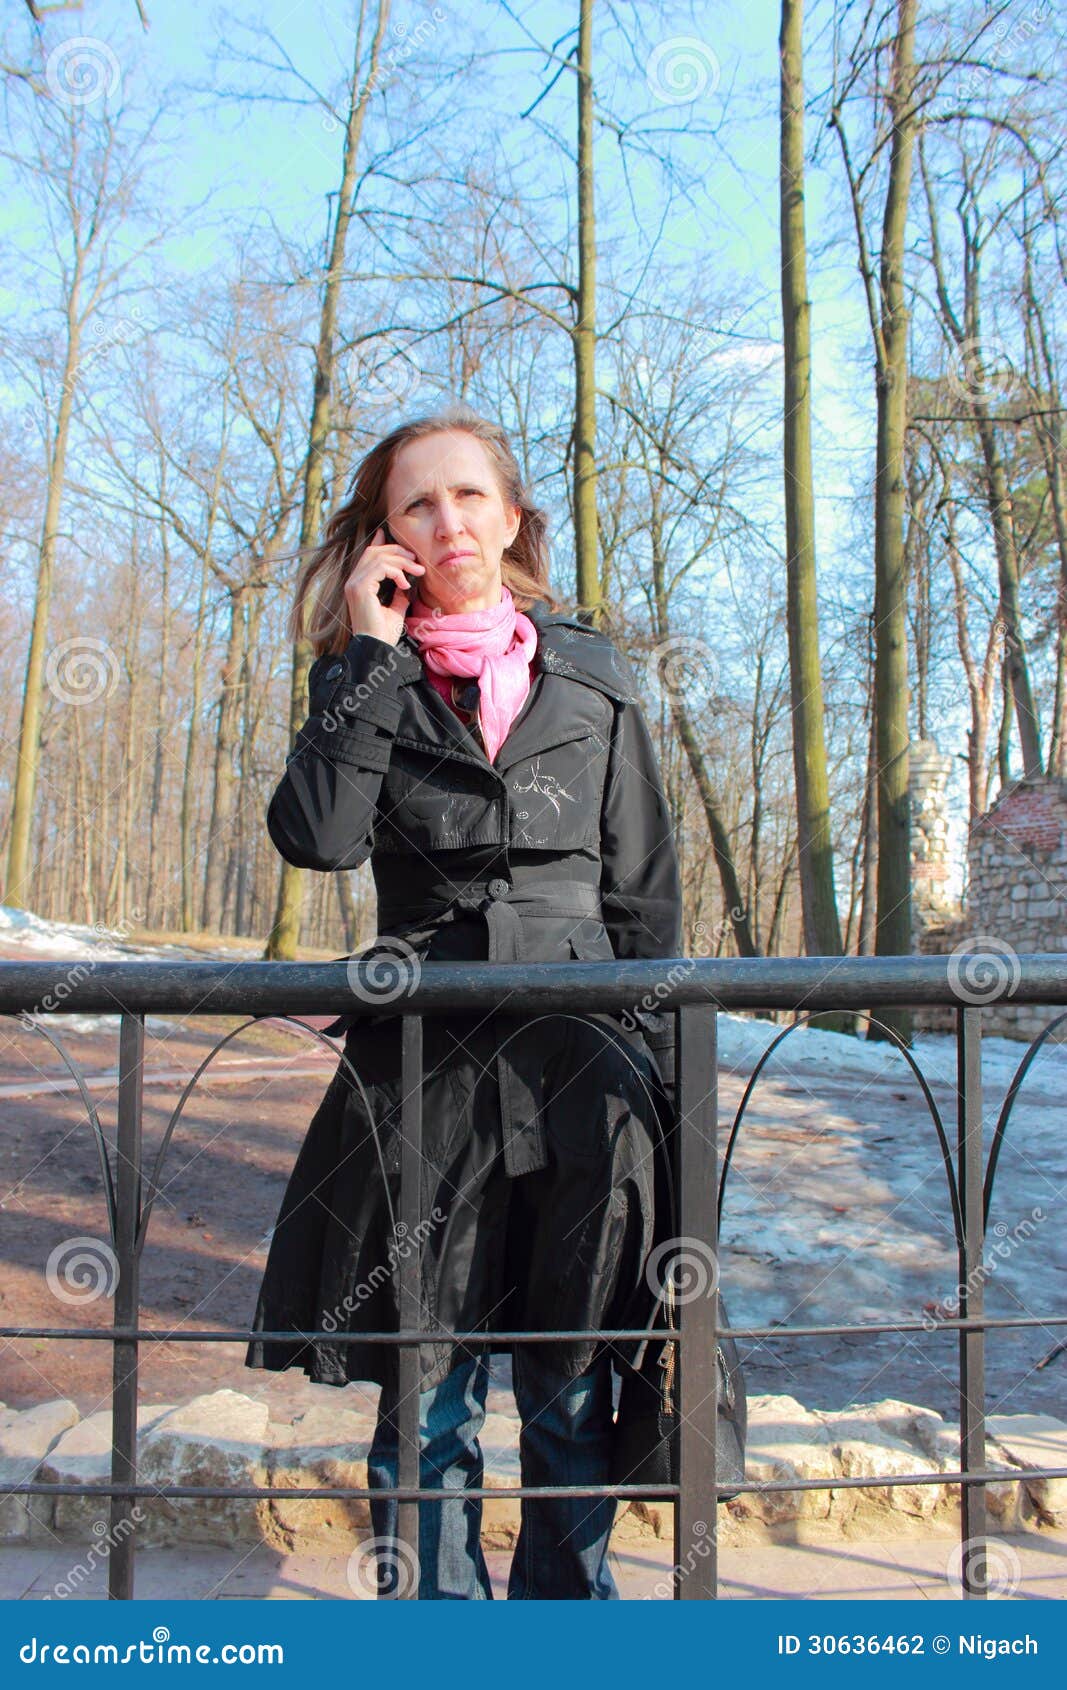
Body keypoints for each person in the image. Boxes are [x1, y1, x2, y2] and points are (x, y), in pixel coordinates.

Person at [244, 404, 683, 1600]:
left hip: (586, 1055)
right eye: (415, 506)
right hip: (421, 1061)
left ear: (511, 513)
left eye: (468, 496)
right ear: (382, 540)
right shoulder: (364, 682)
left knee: (568, 1380)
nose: (448, 522)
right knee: (426, 1383)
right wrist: (370, 659)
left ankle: (561, 1631)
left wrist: (669, 1087)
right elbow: (319, 840)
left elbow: (645, 891)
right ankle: (434, 1636)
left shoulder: (593, 676)